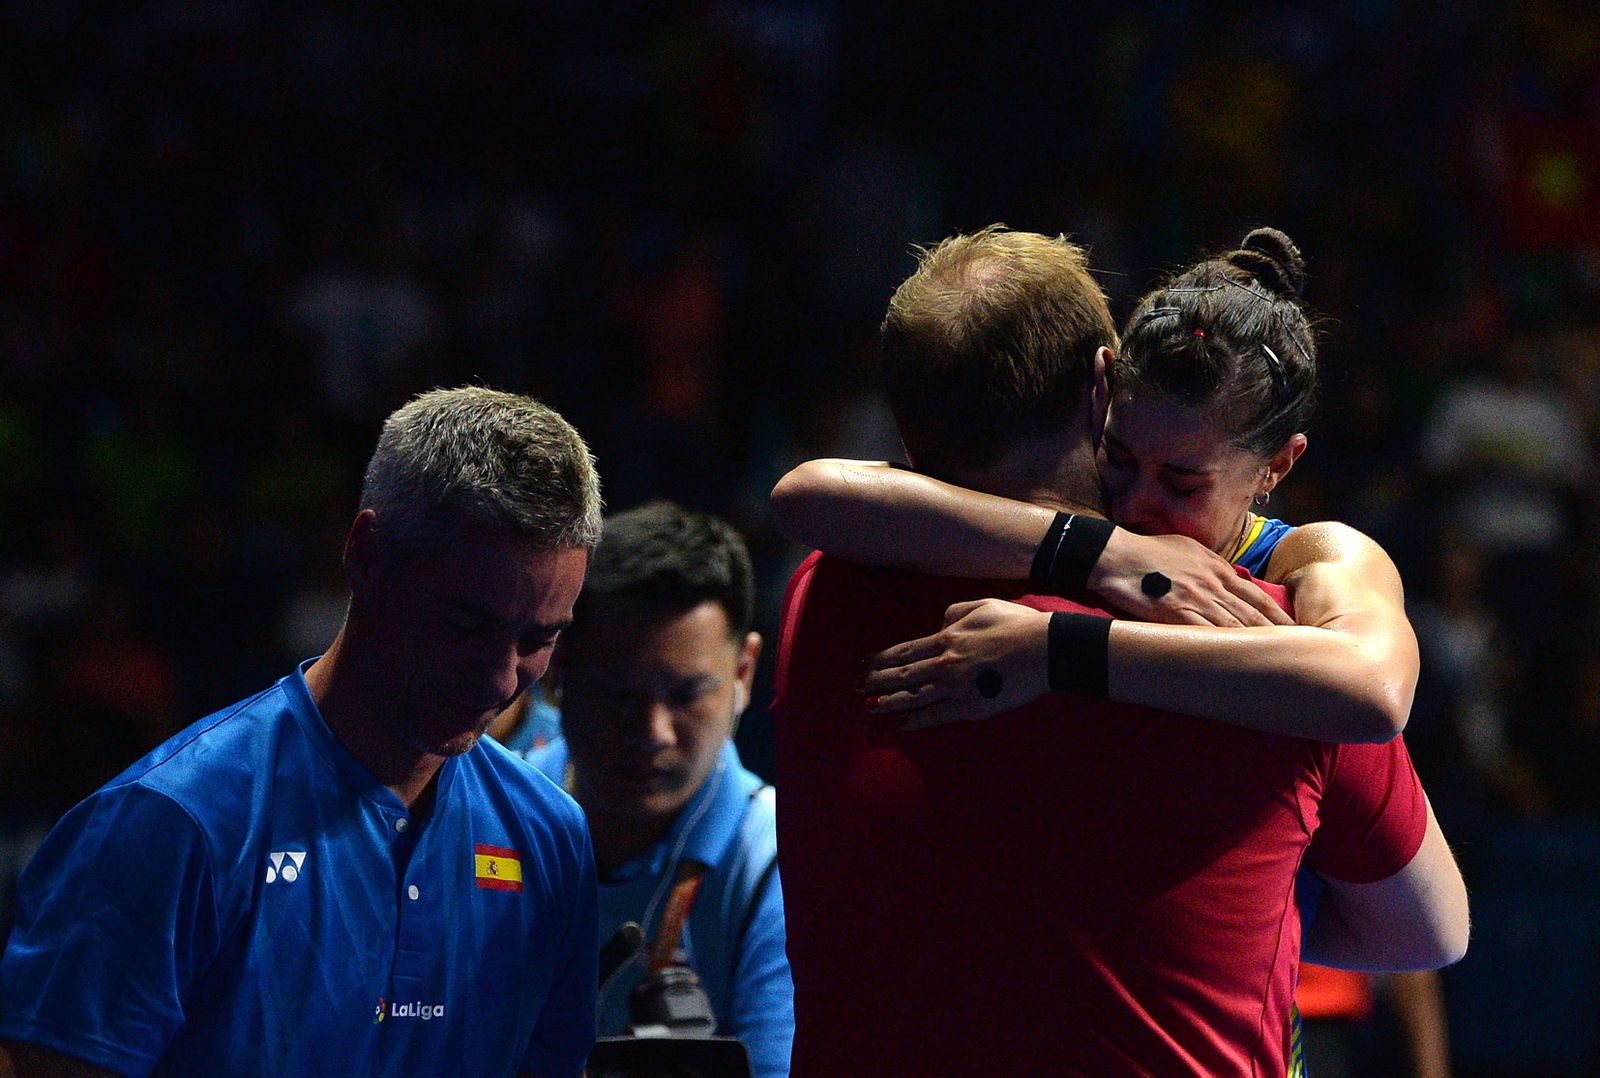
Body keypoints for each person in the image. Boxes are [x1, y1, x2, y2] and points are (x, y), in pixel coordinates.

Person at [770, 226, 1468, 1076]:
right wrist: (1101, 555)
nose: (1138, 504)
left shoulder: (1288, 611)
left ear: (1276, 468)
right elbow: (805, 491)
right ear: (1107, 390)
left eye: (1182, 483)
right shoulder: (1160, 586)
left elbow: (1372, 686)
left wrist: (1065, 647)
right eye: (1121, 461)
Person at [0, 387, 603, 1078]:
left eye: (538, 638)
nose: (502, 680)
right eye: (466, 625)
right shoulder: (171, 828)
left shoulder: (550, 836)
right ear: (368, 557)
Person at [525, 501, 793, 1078]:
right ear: (559, 668)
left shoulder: (782, 861)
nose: (653, 733)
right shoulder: (491, 820)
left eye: (687, 694)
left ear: (744, 673)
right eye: (619, 693)